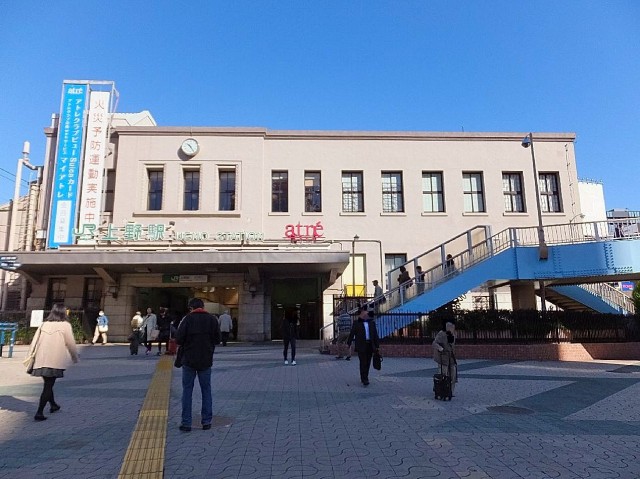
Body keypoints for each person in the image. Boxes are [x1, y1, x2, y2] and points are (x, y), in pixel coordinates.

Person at [175, 298, 221, 432]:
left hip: (189, 360)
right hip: (206, 360)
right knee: (206, 390)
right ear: (203, 306)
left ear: (191, 308)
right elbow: (217, 340)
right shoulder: (212, 320)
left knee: (187, 391)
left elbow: (179, 339)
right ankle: (206, 422)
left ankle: (186, 423)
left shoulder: (187, 319)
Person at [28, 303, 79, 421]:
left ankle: (53, 405)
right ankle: (39, 412)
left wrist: (30, 356)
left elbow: (34, 341)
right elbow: (71, 343)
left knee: (48, 383)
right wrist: (75, 357)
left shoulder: (44, 324)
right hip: (55, 360)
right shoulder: (65, 325)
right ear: (63, 312)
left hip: (41, 360)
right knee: (48, 386)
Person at [347, 306, 380, 386]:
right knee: (363, 362)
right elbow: (352, 333)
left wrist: (377, 345)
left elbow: (375, 334)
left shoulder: (372, 323)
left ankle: (366, 376)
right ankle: (364, 378)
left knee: (368, 362)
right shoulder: (356, 323)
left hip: (370, 345)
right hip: (361, 345)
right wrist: (349, 342)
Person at [432, 321, 458, 395]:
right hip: (443, 357)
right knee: (443, 374)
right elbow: (434, 343)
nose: (453, 329)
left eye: (453, 328)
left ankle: (451, 391)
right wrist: (440, 348)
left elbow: (452, 346)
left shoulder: (453, 334)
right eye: (451, 328)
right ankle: (439, 388)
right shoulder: (441, 334)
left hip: (451, 357)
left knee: (453, 374)